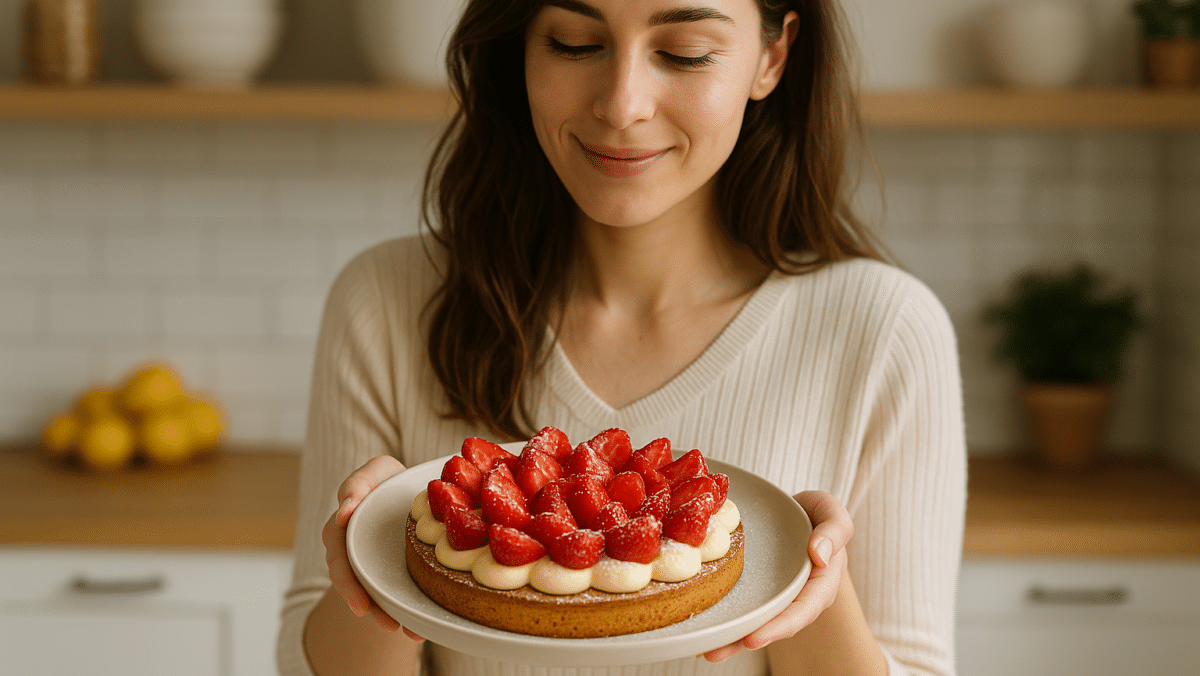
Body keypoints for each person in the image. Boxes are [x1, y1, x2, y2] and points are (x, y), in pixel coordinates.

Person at [277, 0, 966, 674]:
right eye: (574, 43)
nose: (622, 103)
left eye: (684, 52)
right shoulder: (386, 301)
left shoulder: (885, 331)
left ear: (773, 56)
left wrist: (810, 573)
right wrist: (376, 555)